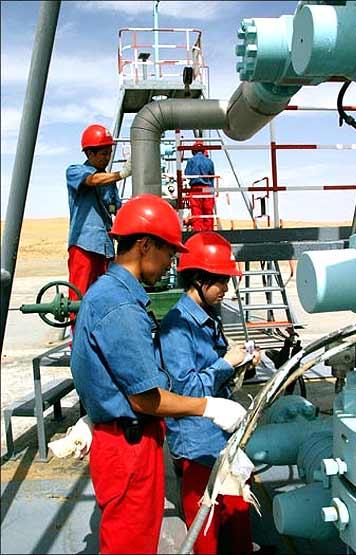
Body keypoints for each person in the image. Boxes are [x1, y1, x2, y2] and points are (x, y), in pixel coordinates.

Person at [70, 194, 249, 555]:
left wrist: (97, 408)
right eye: (168, 252)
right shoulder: (121, 305)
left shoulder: (110, 294)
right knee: (131, 545)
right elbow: (145, 397)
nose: (170, 263)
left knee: (134, 539)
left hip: (127, 439)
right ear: (145, 245)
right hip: (129, 448)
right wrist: (208, 407)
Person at [159, 231, 261, 555]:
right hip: (198, 447)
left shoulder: (208, 317)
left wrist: (243, 363)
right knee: (206, 537)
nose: (227, 289)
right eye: (222, 282)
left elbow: (217, 375)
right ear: (200, 279)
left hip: (221, 440)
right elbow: (186, 390)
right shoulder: (176, 327)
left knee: (238, 523)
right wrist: (225, 364)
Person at [66, 123, 132, 319]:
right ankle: (77, 343)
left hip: (105, 249)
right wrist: (121, 174)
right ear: (89, 153)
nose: (107, 157)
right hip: (84, 246)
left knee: (105, 297)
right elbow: (92, 180)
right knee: (79, 298)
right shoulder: (74, 171)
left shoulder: (109, 184)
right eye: (103, 153)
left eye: (109, 152)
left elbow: (117, 211)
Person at [185, 140, 216, 231]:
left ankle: (198, 232)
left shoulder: (191, 161)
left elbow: (187, 174)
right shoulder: (209, 161)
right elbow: (212, 175)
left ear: (193, 151)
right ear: (204, 150)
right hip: (207, 189)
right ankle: (209, 232)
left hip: (195, 189)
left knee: (196, 211)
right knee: (208, 211)